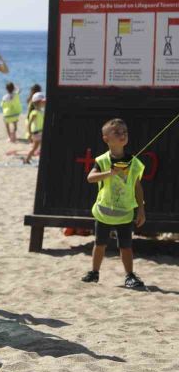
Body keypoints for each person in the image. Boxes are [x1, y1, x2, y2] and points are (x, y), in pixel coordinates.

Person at [82, 119, 146, 288]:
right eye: (117, 132)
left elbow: (138, 187)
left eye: (124, 132)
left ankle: (130, 275)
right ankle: (94, 272)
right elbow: (90, 178)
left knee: (126, 246)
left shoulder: (134, 162)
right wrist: (109, 173)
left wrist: (141, 210)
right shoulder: (102, 160)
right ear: (106, 139)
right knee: (99, 244)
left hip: (124, 213)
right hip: (103, 211)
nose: (122, 135)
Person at [23, 92, 46, 164]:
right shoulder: (35, 112)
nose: (45, 103)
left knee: (37, 147)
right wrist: (29, 133)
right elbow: (29, 123)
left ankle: (27, 159)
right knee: (35, 148)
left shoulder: (41, 111)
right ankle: (26, 159)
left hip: (40, 132)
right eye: (43, 102)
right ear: (38, 103)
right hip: (37, 133)